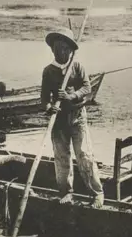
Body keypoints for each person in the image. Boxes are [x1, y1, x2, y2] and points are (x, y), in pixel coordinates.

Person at [40, 28, 104, 208]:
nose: (62, 51)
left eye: (65, 48)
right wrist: (49, 107)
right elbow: (44, 98)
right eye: (58, 48)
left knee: (84, 155)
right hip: (58, 121)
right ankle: (66, 192)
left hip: (77, 117)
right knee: (62, 158)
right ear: (53, 50)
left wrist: (72, 96)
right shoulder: (48, 71)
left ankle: (97, 194)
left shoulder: (76, 67)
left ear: (70, 50)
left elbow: (87, 88)